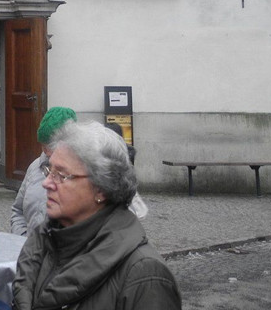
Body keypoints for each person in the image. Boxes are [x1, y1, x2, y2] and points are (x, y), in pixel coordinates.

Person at [12, 121, 181, 310]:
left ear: (101, 189)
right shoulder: (45, 241)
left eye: (61, 175)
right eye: (48, 171)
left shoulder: (146, 276)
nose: (47, 183)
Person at [10, 106, 77, 236]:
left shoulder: (79, 174)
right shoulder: (35, 166)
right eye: (43, 145)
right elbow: (17, 211)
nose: (45, 151)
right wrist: (22, 238)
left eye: (50, 146)